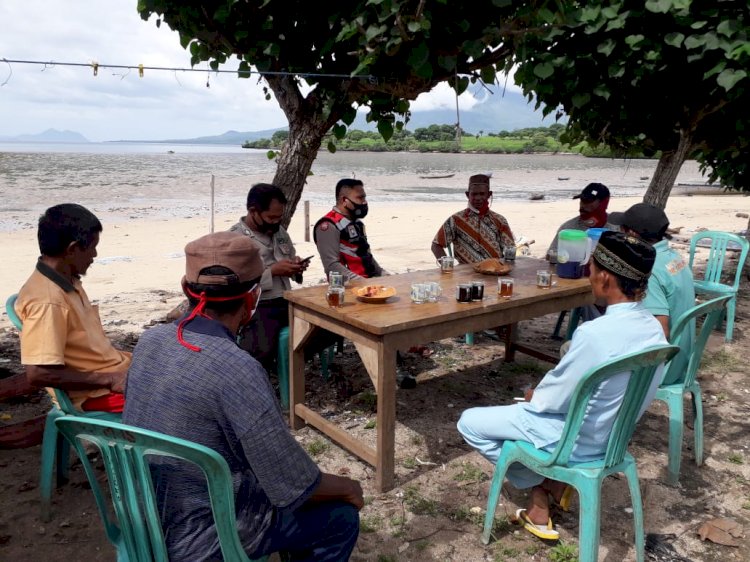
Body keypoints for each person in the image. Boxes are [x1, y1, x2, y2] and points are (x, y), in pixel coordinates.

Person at [123, 231, 362, 562]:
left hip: (141, 515)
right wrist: (350, 488)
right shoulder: (237, 368)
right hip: (204, 538)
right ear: (252, 299)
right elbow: (291, 484)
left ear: (185, 289)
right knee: (339, 516)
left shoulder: (150, 341)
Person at [457, 231, 666, 540]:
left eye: (591, 268)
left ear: (606, 278)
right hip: (614, 439)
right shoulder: (654, 330)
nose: (588, 274)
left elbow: (554, 399)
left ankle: (543, 485)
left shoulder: (596, 334)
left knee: (469, 422)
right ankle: (548, 490)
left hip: (576, 440)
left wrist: (534, 397)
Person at [15, 203, 130, 413]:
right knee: (191, 398)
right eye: (92, 247)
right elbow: (39, 373)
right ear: (72, 249)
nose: (94, 255)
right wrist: (110, 378)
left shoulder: (67, 279)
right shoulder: (48, 301)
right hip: (96, 395)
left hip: (114, 374)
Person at [230, 183, 309, 372]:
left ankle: (289, 361)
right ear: (253, 211)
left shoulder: (279, 232)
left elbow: (289, 259)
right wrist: (272, 271)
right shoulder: (235, 239)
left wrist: (296, 267)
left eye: (279, 217)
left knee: (326, 327)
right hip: (258, 305)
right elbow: (236, 282)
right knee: (261, 350)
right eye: (271, 217)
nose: (276, 222)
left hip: (287, 299)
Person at [621, 203, 695, 384]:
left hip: (663, 367)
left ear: (632, 235)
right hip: (684, 359)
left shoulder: (650, 269)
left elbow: (660, 331)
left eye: (622, 231)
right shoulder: (675, 258)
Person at [431, 173, 515, 264]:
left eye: (482, 194)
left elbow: (510, 249)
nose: (478, 198)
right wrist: (448, 266)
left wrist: (506, 267)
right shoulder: (456, 220)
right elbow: (436, 245)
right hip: (465, 274)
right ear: (467, 195)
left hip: (494, 272)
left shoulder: (500, 220)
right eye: (474, 194)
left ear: (489, 194)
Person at [313, 178, 384, 281]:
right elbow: (331, 266)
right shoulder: (328, 225)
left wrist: (383, 274)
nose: (364, 203)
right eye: (360, 198)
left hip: (369, 282)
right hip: (347, 287)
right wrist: (363, 283)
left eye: (364, 198)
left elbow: (365, 255)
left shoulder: (357, 223)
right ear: (344, 200)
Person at [546, 182, 617, 259]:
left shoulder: (616, 228)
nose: (583, 205)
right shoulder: (567, 228)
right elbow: (550, 256)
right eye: (582, 200)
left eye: (588, 201)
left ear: (603, 203)